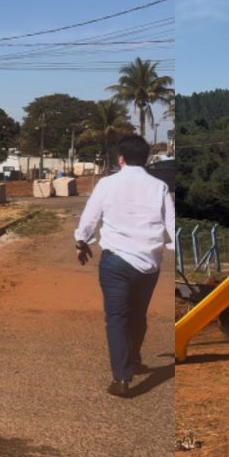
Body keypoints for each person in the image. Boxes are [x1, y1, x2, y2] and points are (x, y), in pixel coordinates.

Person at [74, 134, 175, 398]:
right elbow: (172, 224)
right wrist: (173, 248)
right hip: (149, 264)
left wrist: (81, 241)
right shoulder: (159, 187)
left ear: (121, 159)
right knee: (138, 314)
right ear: (146, 159)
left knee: (117, 319)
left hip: (116, 262)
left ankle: (122, 378)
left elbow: (90, 216)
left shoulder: (107, 184)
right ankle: (135, 357)